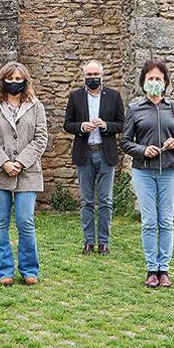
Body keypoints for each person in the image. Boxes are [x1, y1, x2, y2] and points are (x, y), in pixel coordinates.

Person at [120, 60, 174, 288]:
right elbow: (124, 141)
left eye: (158, 79)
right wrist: (142, 150)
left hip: (170, 171)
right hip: (143, 172)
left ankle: (165, 269)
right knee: (150, 221)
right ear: (143, 82)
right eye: (150, 78)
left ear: (165, 82)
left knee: (167, 221)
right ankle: (152, 268)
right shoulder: (134, 109)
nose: (154, 82)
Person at [0, 62, 48, 286]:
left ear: (25, 81)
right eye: (11, 78)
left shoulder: (36, 106)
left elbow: (41, 139)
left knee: (25, 220)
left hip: (28, 173)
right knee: (0, 222)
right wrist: (4, 162)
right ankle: (5, 271)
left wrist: (20, 162)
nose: (15, 83)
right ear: (3, 81)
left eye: (19, 79)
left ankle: (29, 269)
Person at [63, 60, 125, 255]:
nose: (92, 78)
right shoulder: (75, 96)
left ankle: (103, 242)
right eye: (88, 75)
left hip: (105, 153)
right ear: (84, 76)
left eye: (95, 74)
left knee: (106, 200)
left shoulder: (114, 96)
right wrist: (82, 127)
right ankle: (89, 241)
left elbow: (122, 124)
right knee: (86, 201)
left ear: (102, 75)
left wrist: (106, 125)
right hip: (85, 152)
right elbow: (67, 124)